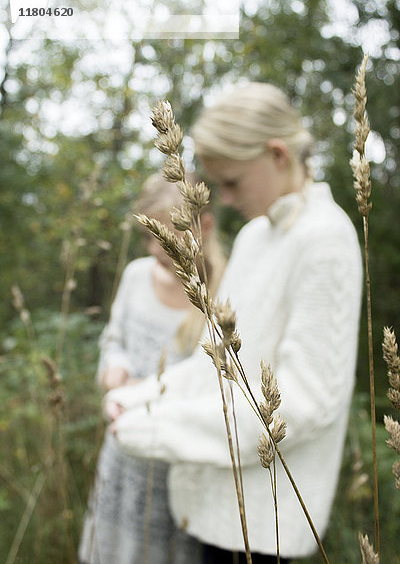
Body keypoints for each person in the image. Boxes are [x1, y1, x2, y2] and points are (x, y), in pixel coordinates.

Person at [106, 83, 363, 563]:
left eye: (232, 183)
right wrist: (135, 400)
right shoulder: (253, 236)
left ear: (277, 154)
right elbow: (214, 365)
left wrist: (160, 429)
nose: (221, 200)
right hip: (211, 512)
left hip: (266, 530)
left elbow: (305, 406)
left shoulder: (325, 240)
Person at [78, 173, 226, 564]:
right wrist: (115, 367)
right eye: (148, 236)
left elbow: (214, 387)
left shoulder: (219, 295)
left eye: (165, 236)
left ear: (203, 226)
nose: (154, 248)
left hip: (175, 466)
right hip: (122, 452)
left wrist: (152, 391)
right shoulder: (135, 277)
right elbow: (114, 340)